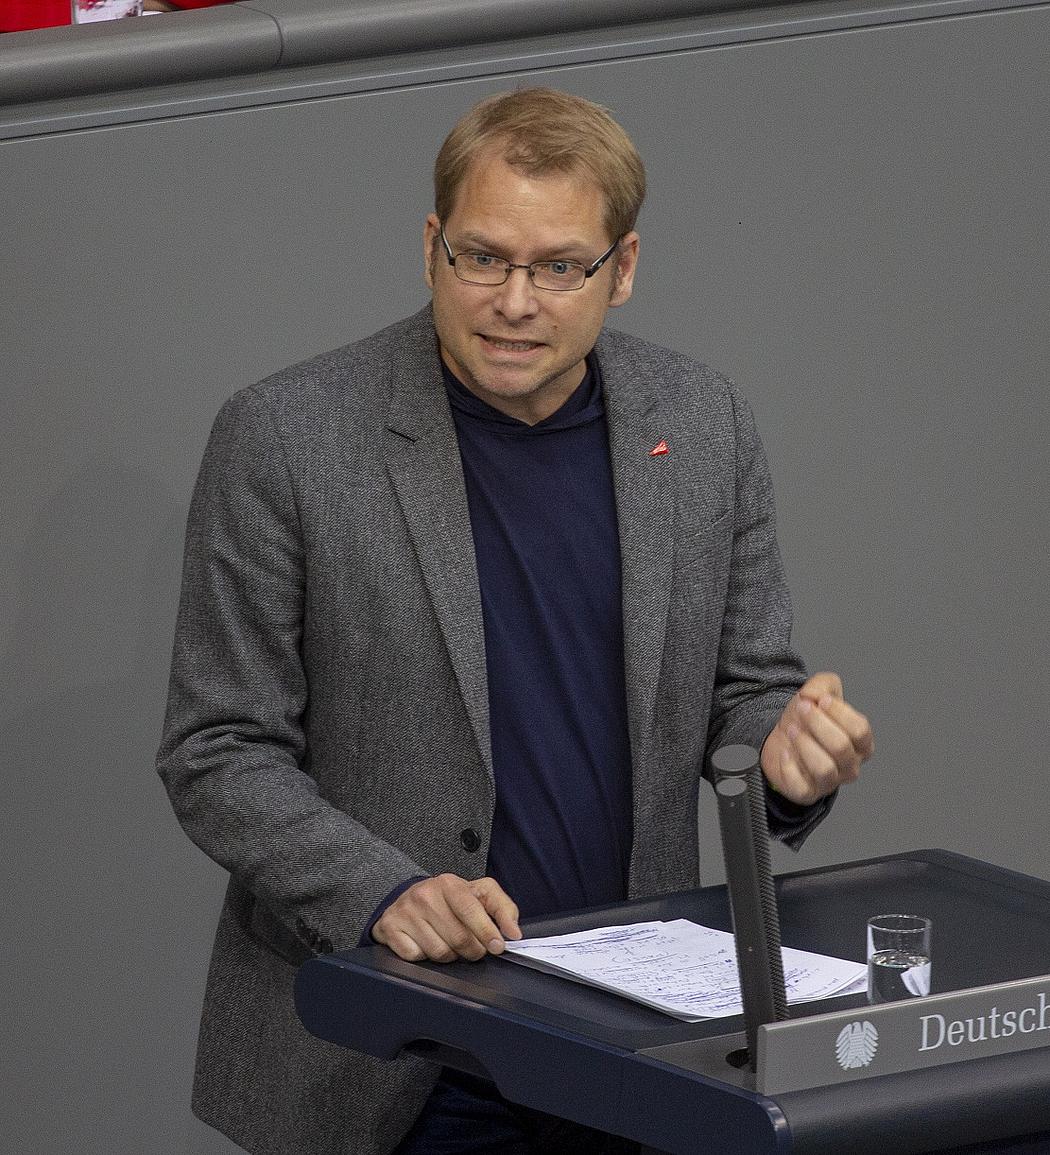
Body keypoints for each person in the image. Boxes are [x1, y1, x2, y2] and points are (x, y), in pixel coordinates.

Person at [158, 87, 873, 1155]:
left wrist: (780, 750)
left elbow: (745, 689)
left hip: (632, 1043)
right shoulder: (288, 439)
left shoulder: (701, 424)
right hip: (400, 1054)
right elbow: (217, 749)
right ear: (431, 246)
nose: (514, 302)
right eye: (482, 258)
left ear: (621, 269)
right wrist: (383, 892)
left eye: (557, 267)